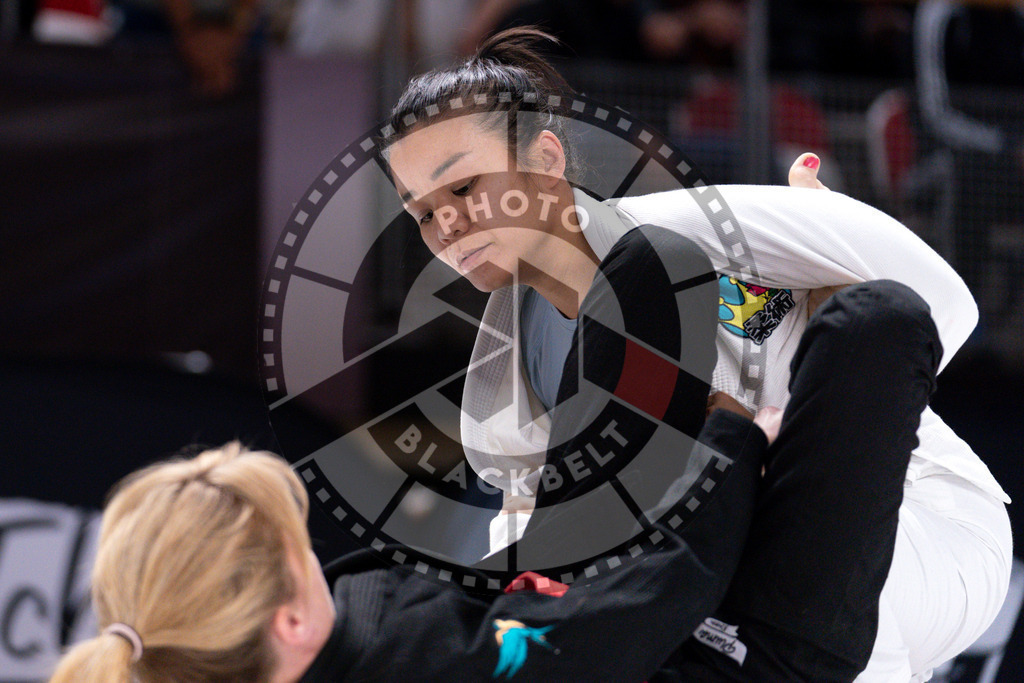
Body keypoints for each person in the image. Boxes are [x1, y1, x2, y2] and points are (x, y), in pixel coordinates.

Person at [381, 26, 1012, 681]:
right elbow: (540, 557)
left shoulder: (699, 231)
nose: (445, 225)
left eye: (461, 188)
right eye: (421, 212)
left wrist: (816, 375)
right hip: (748, 565)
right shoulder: (502, 395)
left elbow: (940, 307)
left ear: (544, 160)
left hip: (919, 517)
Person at [48, 430, 767, 682]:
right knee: (866, 324)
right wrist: (735, 426)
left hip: (606, 593)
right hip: (735, 637)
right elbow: (663, 587)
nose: (312, 550)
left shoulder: (328, 632)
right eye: (298, 544)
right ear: (289, 624)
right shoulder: (441, 663)